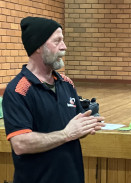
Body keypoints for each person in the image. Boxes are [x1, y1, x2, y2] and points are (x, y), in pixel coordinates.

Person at [2, 16, 105, 183]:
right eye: (57, 41)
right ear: (38, 47)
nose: (64, 47)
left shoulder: (66, 83)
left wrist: (85, 126)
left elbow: (74, 129)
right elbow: (21, 144)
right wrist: (66, 134)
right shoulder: (18, 90)